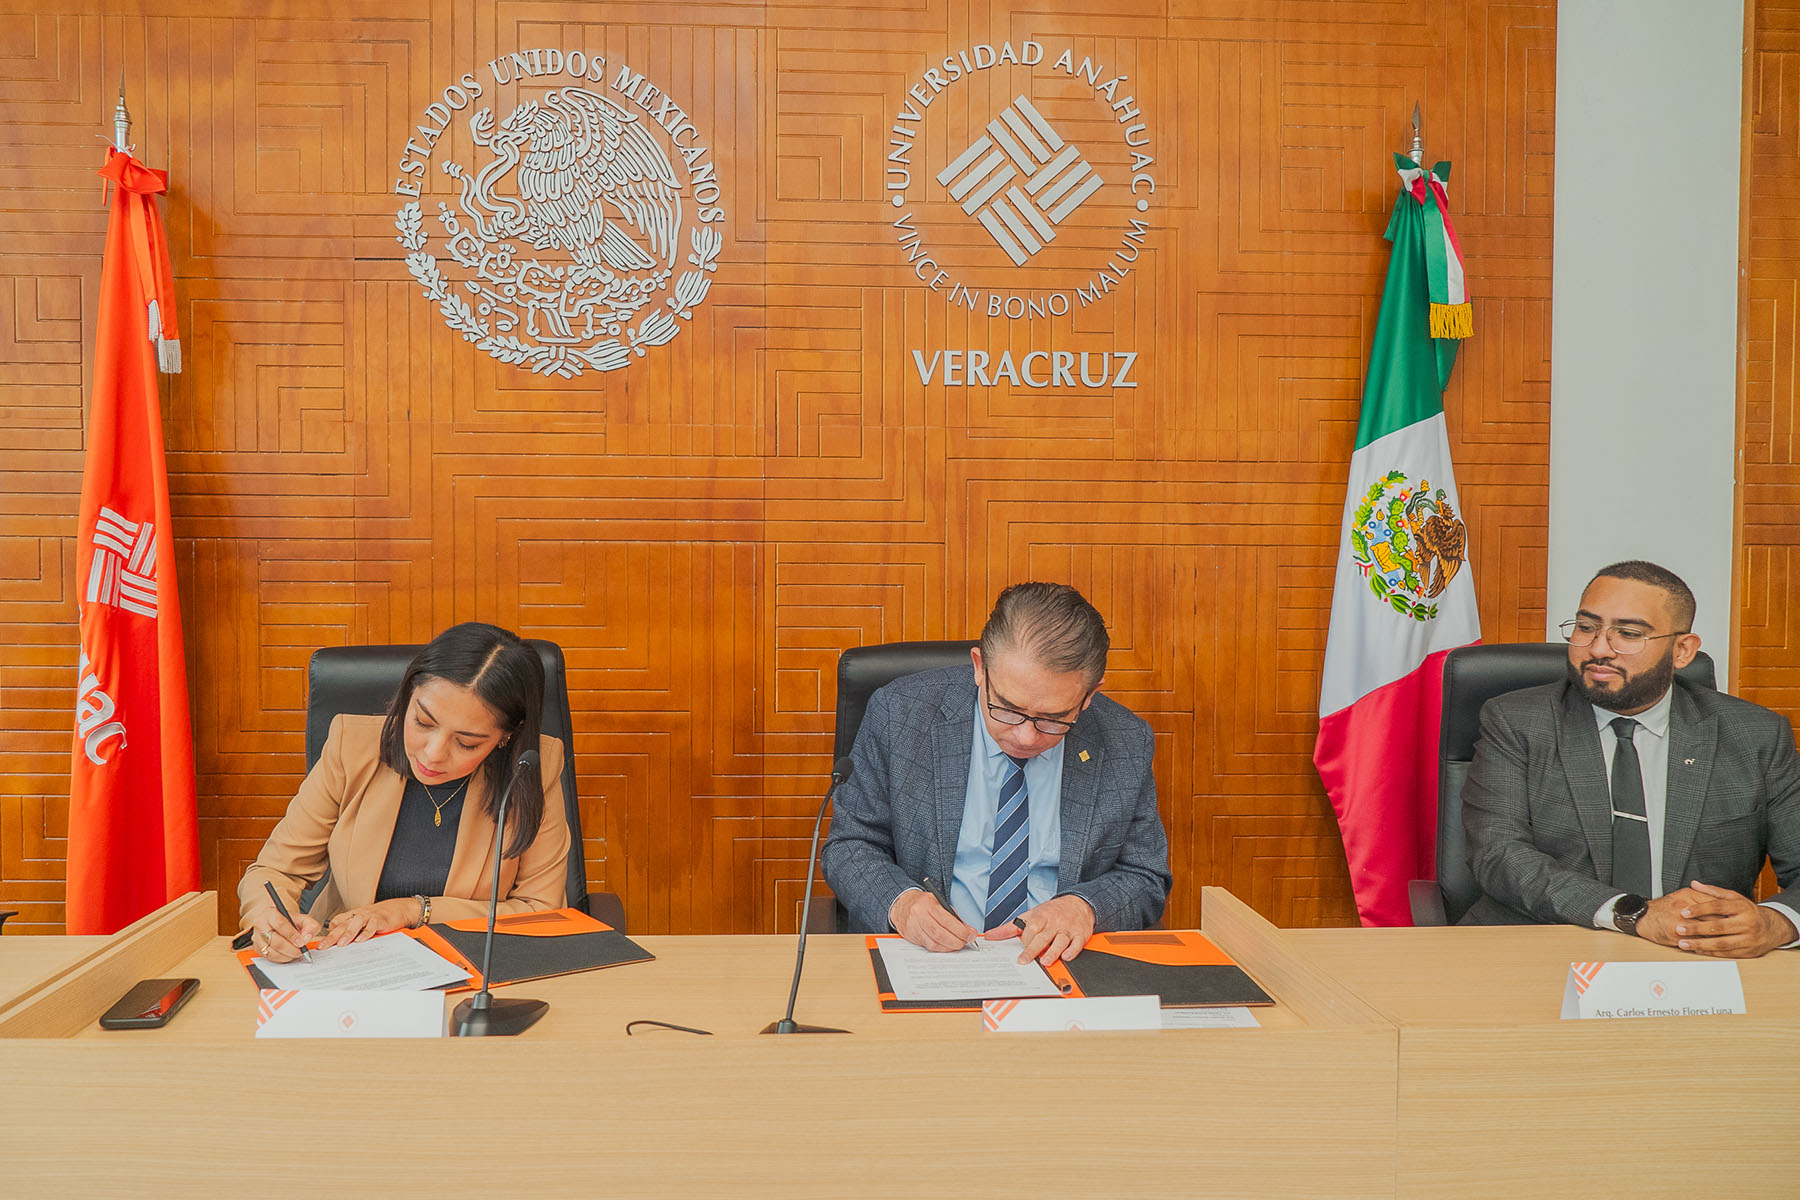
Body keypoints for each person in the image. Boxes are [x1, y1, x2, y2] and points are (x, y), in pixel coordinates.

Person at [822, 582, 1171, 965]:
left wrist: (1084, 908)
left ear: (1089, 695)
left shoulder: (1124, 741)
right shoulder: (902, 715)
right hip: (932, 958)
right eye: (1007, 708)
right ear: (979, 667)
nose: (1025, 736)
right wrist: (901, 903)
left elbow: (1145, 874)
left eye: (1053, 719)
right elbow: (850, 845)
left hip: (1059, 964)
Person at [1463, 560, 1800, 956]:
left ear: (1682, 651)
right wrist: (1632, 914)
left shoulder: (1754, 735)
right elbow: (1498, 854)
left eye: (1628, 633)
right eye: (1586, 628)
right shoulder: (1517, 721)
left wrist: (1776, 923)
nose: (1599, 648)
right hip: (1537, 948)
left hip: (1696, 958)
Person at [239, 622, 572, 962]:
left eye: (466, 742)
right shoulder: (351, 746)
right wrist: (267, 920)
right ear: (408, 695)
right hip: (349, 965)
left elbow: (540, 912)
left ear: (506, 736)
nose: (433, 754)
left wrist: (412, 910)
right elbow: (274, 872)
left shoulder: (532, 769)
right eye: (423, 723)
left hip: (476, 970)